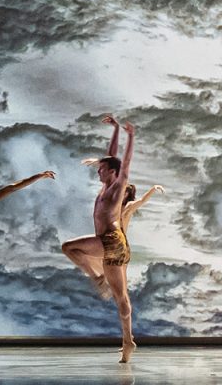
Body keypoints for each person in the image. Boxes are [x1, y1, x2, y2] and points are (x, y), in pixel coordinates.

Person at [61, 115, 136, 363]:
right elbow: (111, 156)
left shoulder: (117, 186)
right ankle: (128, 341)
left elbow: (124, 163)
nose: (98, 172)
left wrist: (131, 136)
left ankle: (97, 277)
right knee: (121, 296)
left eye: (101, 170)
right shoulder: (106, 185)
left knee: (69, 248)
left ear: (112, 173)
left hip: (111, 242)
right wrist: (115, 129)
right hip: (110, 243)